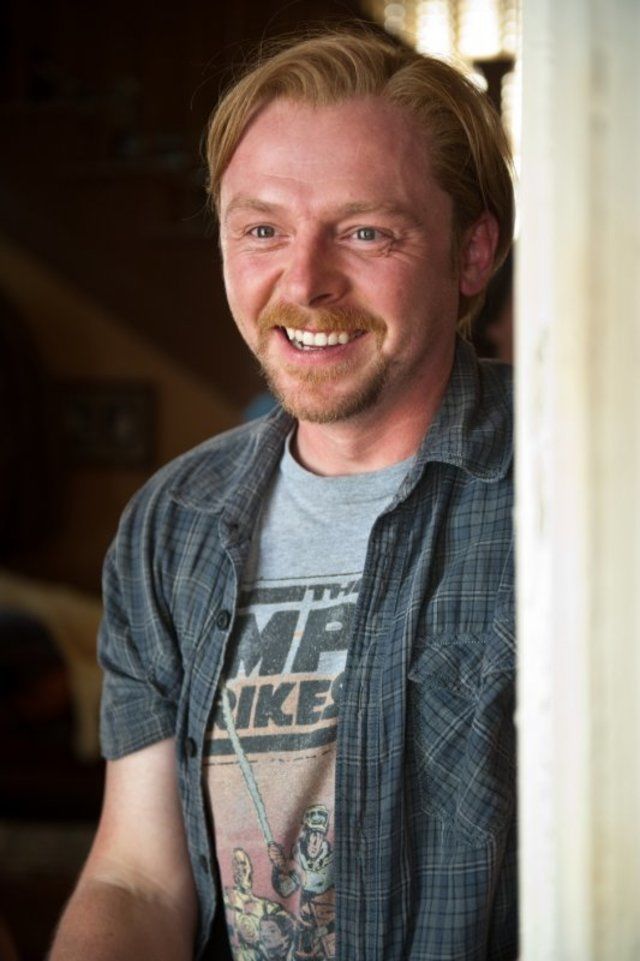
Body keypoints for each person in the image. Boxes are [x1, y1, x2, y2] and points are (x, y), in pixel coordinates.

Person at [50, 27, 516, 961]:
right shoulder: (170, 524)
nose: (304, 282)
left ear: (472, 254)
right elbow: (137, 877)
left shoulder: (579, 487)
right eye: (262, 230)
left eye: (365, 232)